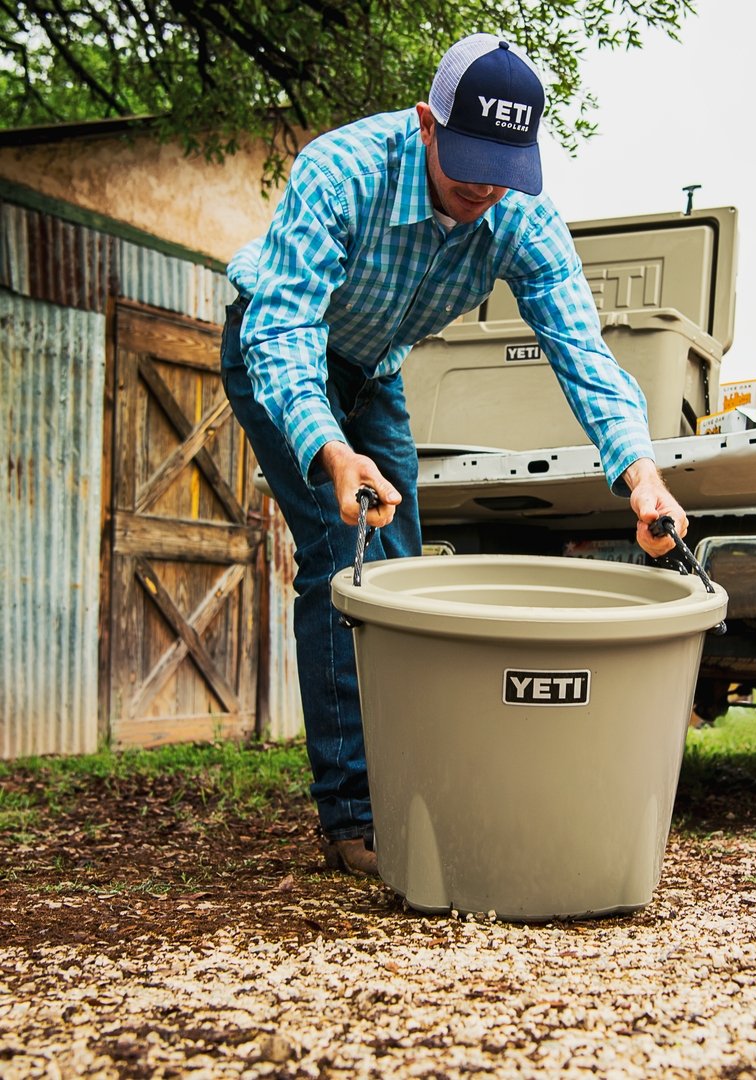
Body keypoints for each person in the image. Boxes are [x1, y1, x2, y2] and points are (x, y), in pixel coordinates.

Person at [220, 32, 690, 877]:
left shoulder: (518, 213)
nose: (483, 186)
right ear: (426, 125)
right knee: (346, 556)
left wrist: (642, 476)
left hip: (375, 369)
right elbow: (283, 330)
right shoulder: (340, 173)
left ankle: (416, 788)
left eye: (505, 165)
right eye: (468, 159)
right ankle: (358, 817)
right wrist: (328, 449)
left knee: (401, 578)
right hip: (277, 351)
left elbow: (582, 349)